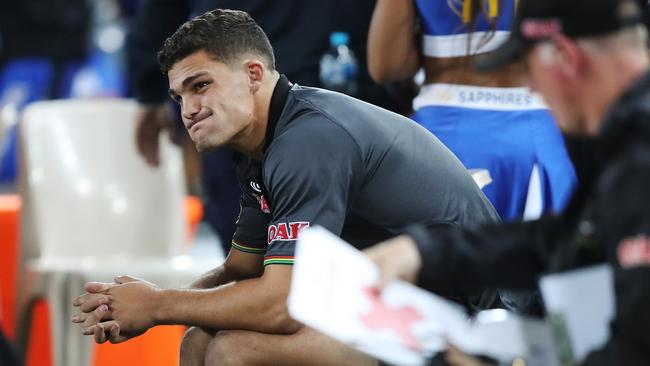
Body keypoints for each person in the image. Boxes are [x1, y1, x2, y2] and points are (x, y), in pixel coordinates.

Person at [72, 9, 501, 365]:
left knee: (235, 351)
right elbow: (243, 269)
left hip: (468, 324)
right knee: (198, 341)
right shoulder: (262, 143)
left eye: (200, 85)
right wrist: (140, 301)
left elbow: (279, 305)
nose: (188, 110)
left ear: (254, 74)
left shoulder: (308, 141)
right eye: (179, 96)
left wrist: (158, 305)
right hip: (397, 307)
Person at [366, 0, 650, 364]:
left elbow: (635, 343)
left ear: (565, 57)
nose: (530, 87)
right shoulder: (619, 135)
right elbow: (570, 239)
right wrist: (423, 251)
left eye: (527, 70)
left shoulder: (638, 160)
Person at [129, 0, 407, 252]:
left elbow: (278, 293)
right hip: (337, 78)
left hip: (317, 90)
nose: (187, 110)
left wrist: (148, 90)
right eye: (179, 98)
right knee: (256, 261)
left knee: (341, 266)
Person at [367, 0, 576, 223]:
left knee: (438, 251)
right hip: (541, 132)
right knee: (545, 251)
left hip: (445, 131)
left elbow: (387, 66)